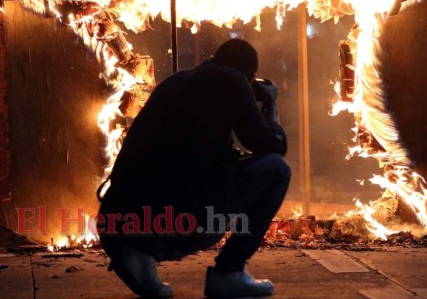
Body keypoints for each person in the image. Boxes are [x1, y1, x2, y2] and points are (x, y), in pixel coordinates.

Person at [96, 38, 290, 298]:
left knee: (191, 183)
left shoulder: (177, 81)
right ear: (249, 76)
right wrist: (271, 105)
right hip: (176, 218)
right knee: (277, 170)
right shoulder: (231, 80)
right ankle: (229, 273)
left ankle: (139, 253)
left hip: (116, 221)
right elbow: (269, 145)